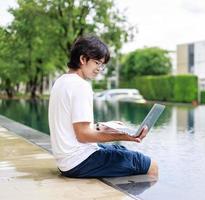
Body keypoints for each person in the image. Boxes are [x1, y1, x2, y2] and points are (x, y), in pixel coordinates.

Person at [48, 35, 158, 178]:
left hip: (67, 161)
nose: (99, 68)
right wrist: (126, 136)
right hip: (80, 161)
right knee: (150, 165)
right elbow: (83, 135)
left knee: (120, 149)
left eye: (102, 64)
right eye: (97, 63)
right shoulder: (80, 86)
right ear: (82, 59)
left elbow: (73, 128)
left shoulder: (61, 82)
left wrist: (103, 126)